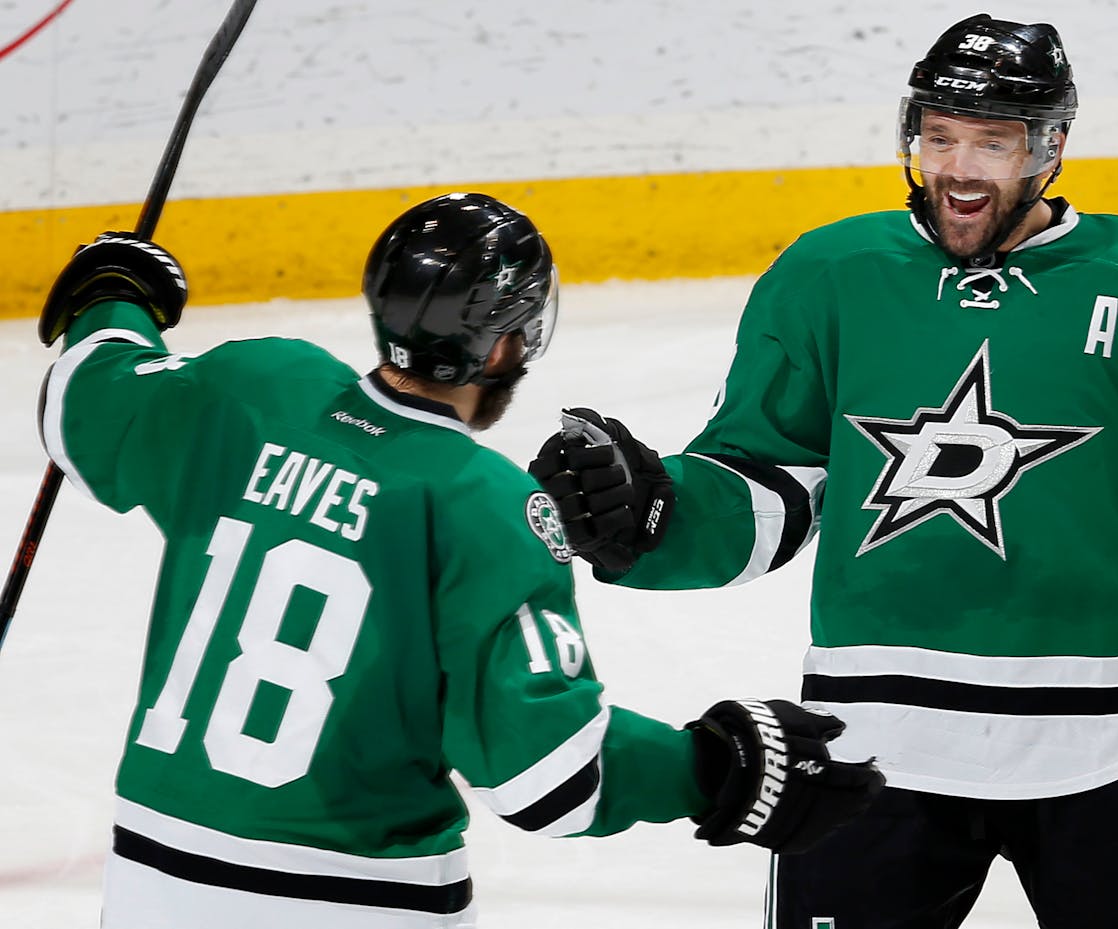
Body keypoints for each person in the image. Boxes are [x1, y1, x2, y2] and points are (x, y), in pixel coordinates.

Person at [529, 15, 1118, 929]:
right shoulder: (830, 275)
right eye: (940, 136)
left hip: (1117, 740)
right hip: (876, 744)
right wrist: (656, 517)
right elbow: (767, 485)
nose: (960, 169)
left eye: (992, 141)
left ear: (1050, 148)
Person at [33, 193, 883, 929]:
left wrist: (117, 297)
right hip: (353, 893)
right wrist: (713, 767)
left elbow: (87, 395)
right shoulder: (483, 502)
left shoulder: (253, 389)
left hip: (152, 872)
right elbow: (547, 777)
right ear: (506, 343)